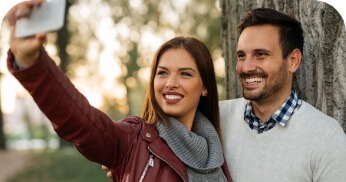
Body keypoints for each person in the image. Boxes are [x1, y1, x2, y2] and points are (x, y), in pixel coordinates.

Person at [5, 1, 232, 181]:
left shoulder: (219, 150)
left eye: (185, 73)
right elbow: (80, 122)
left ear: (205, 87)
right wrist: (32, 63)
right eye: (162, 73)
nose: (170, 82)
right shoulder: (132, 140)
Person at [219, 8, 346, 181]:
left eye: (261, 54)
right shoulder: (217, 118)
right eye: (241, 56)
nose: (246, 67)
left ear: (293, 61)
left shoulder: (326, 138)